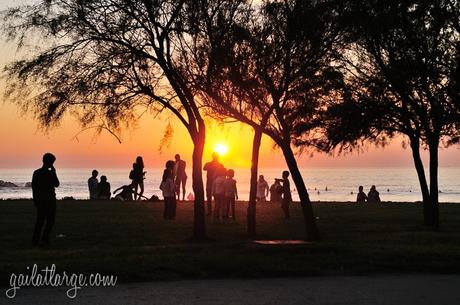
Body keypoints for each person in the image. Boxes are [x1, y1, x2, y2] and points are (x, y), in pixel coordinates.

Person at [32, 153, 60, 247]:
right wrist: (54, 172)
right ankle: (44, 239)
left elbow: (34, 188)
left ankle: (35, 240)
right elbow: (57, 184)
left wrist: (35, 200)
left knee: (40, 221)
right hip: (50, 199)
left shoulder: (36, 172)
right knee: (50, 221)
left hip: (40, 200)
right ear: (51, 162)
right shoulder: (50, 173)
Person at [203, 152, 224, 216]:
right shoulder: (220, 165)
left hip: (210, 182)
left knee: (209, 197)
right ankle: (216, 212)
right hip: (216, 182)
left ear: (212, 156)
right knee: (216, 198)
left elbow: (204, 168)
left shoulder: (208, 164)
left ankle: (210, 212)